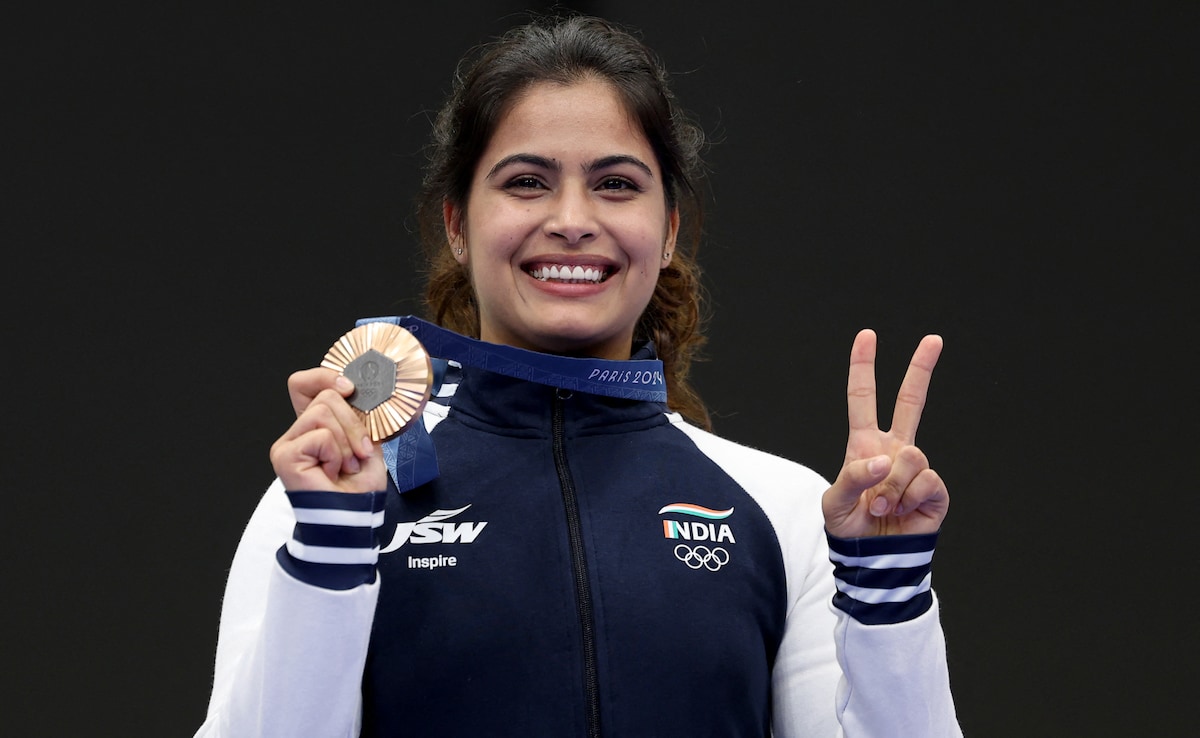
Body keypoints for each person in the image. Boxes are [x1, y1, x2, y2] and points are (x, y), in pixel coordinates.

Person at [195, 12, 961, 737]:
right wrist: (329, 550)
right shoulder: (339, 494)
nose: (572, 218)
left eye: (616, 183)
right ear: (458, 224)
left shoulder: (788, 510)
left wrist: (885, 595)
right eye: (526, 181)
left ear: (666, 233)